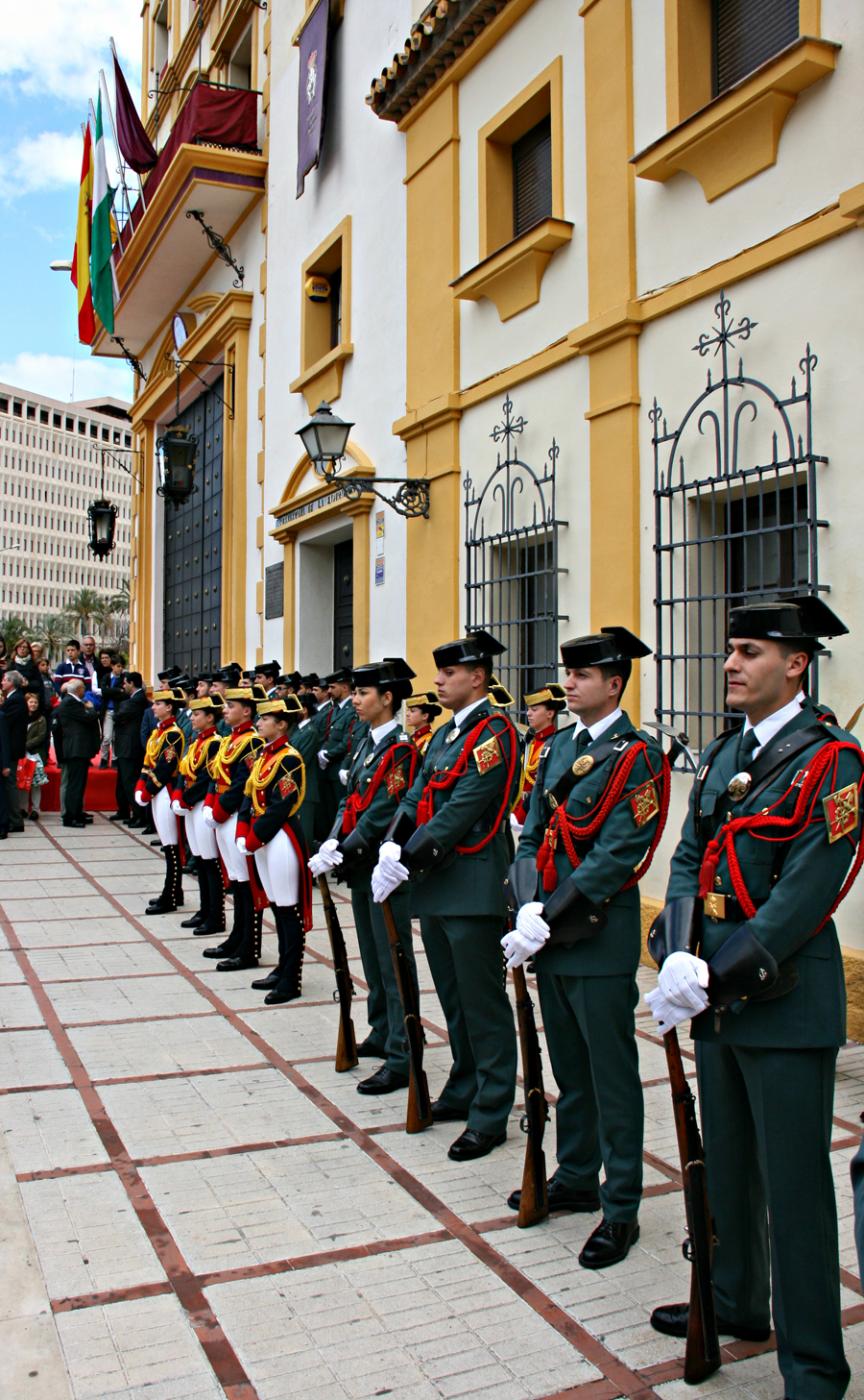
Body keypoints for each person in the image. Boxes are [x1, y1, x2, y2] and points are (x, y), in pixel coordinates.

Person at [646, 595, 863, 1400]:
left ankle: (813, 1366)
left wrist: (713, 974)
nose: (730, 663)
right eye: (731, 649)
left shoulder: (833, 761)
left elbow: (807, 892)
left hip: (784, 999)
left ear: (796, 663)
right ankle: (737, 1301)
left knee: (795, 1188)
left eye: (749, 651)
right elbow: (687, 857)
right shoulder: (722, 752)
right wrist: (676, 951)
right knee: (728, 1167)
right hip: (718, 998)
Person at [505, 630, 668, 1267]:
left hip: (596, 934)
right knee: (570, 1069)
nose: (568, 684)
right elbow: (530, 831)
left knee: (611, 1075)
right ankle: (576, 1175)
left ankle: (621, 1203)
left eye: (581, 675)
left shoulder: (638, 756)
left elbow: (619, 853)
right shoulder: (557, 747)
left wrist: (547, 913)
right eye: (567, 673)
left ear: (614, 684)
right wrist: (526, 902)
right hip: (549, 932)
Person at [372, 629, 520, 1161]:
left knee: (483, 1004)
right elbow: (415, 796)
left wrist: (407, 859)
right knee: (455, 1001)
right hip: (438, 885)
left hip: (473, 886)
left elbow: (463, 808)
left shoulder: (494, 732)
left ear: (477, 677)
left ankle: (492, 1109)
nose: (437, 681)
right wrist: (392, 844)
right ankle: (464, 1084)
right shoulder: (445, 736)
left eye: (449, 673)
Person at [312, 659, 421, 1090]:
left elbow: (382, 812)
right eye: (354, 692)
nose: (355, 700)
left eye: (363, 693)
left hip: (383, 868)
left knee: (393, 960)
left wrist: (343, 848)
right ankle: (381, 1028)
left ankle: (403, 1049)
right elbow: (349, 799)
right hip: (361, 867)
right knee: (372, 958)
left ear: (387, 698)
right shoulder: (365, 743)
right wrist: (331, 839)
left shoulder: (400, 750)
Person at [237, 695, 311, 1003]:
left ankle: (291, 978)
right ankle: (282, 967)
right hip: (262, 836)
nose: (259, 722)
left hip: (279, 837)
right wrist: (243, 829)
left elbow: (282, 805)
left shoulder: (289, 758)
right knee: (277, 907)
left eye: (265, 719)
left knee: (288, 908)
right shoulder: (264, 755)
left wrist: (254, 837)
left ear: (281, 725)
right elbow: (248, 793)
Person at [200, 684, 264, 970]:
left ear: (247, 711)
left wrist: (221, 810)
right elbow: (215, 776)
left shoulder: (251, 742)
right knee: (237, 881)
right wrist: (210, 805)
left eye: (231, 706)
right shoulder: (230, 739)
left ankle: (249, 946)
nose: (224, 710)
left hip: (236, 815)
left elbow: (242, 783)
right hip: (223, 816)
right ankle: (237, 937)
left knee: (246, 884)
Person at [171, 692, 227, 937]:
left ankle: (216, 914)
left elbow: (207, 777)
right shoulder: (197, 741)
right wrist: (178, 796)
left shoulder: (215, 742)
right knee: (201, 860)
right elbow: (184, 770)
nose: (192, 718)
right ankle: (205, 910)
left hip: (203, 802)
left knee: (210, 861)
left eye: (197, 714)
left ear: (210, 717)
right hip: (191, 805)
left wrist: (186, 798)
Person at [134, 686, 186, 912]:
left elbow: (166, 766)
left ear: (169, 707)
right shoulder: (158, 732)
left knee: (171, 845)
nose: (153, 707)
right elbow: (149, 761)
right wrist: (141, 783)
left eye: (158, 704)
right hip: (158, 791)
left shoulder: (173, 733)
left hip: (165, 789)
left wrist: (148, 789)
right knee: (167, 843)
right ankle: (175, 891)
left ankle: (171, 894)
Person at [510, 682, 567, 832]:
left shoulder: (556, 744)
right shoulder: (529, 741)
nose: (528, 713)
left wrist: (521, 814)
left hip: (535, 815)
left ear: (550, 714)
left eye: (534, 710)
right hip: (516, 812)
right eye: (528, 709)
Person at [54, 679, 101, 827]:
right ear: (78, 689)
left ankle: (77, 813)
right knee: (75, 784)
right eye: (83, 688)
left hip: (79, 748)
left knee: (79, 783)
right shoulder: (70, 702)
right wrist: (92, 709)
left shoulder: (73, 702)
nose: (84, 691)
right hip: (76, 748)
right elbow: (88, 717)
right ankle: (70, 816)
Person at [112, 672, 148, 825]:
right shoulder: (132, 699)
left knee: (130, 782)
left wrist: (118, 714)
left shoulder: (137, 700)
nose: (123, 686)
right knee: (122, 781)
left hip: (130, 747)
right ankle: (124, 810)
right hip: (126, 746)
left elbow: (117, 716)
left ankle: (138, 815)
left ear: (132, 683)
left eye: (125, 683)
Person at [0, 670, 29, 832]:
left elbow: (4, 721)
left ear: (12, 682)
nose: (2, 682)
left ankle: (15, 820)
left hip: (10, 748)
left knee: (9, 784)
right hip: (9, 747)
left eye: (5, 680)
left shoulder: (16, 700)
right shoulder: (13, 698)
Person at [291, 690, 320, 848]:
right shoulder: (298, 730)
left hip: (305, 790)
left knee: (304, 836)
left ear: (304, 710)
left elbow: (300, 761)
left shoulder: (310, 732)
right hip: (297, 789)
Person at [23, 690, 49, 821]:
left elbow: (41, 736)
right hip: (21, 754)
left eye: (35, 702)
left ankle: (35, 809)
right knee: (23, 782)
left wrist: (25, 745)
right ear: (26, 703)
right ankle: (22, 808)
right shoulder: (21, 717)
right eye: (31, 702)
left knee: (36, 783)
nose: (33, 704)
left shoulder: (41, 719)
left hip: (36, 754)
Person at [99, 653, 124, 768]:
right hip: (107, 711)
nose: (120, 668)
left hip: (118, 711)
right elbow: (104, 691)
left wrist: (112, 691)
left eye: (121, 666)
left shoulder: (123, 678)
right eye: (118, 666)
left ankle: (114, 759)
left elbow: (123, 694)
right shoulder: (107, 677)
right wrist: (117, 690)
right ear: (112, 666)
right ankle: (104, 758)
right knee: (107, 737)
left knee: (115, 737)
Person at [404, 690, 442, 757]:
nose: (407, 714)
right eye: (407, 710)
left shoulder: (431, 740)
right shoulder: (411, 737)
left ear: (425, 716)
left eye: (412, 711)